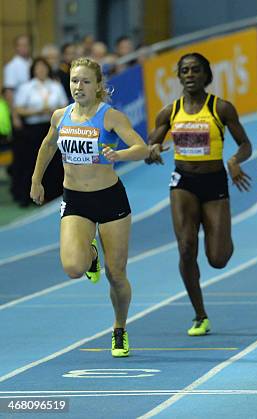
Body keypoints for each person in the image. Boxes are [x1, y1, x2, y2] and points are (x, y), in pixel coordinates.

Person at [30, 57, 149, 357]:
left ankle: (119, 328)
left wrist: (118, 155)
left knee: (117, 275)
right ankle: (90, 252)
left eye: (85, 81)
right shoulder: (61, 115)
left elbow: (142, 148)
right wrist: (36, 181)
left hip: (110, 200)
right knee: (73, 267)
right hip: (75, 200)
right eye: (73, 81)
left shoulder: (110, 117)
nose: (78, 86)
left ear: (98, 86)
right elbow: (47, 145)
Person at [147, 53, 252, 336]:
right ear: (179, 77)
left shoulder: (221, 108)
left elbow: (245, 144)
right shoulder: (169, 112)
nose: (190, 74)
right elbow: (150, 146)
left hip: (214, 182)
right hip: (183, 183)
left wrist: (234, 161)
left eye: (195, 70)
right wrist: (153, 150)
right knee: (185, 247)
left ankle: (220, 233)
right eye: (185, 71)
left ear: (206, 75)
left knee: (218, 259)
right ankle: (199, 314)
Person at [11, 58, 68, 206]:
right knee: (33, 162)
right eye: (38, 68)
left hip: (52, 126)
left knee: (55, 162)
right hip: (33, 129)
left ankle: (54, 194)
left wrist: (53, 111)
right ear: (33, 70)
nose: (41, 70)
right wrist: (37, 111)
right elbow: (19, 109)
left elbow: (64, 105)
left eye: (44, 67)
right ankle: (29, 195)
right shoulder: (27, 87)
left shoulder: (55, 86)